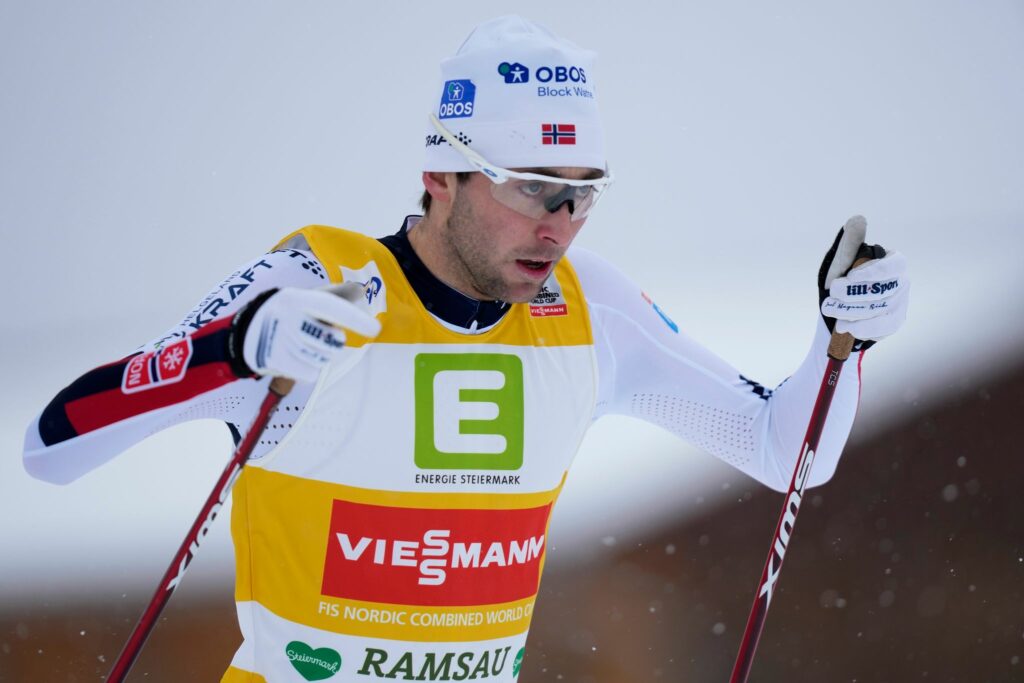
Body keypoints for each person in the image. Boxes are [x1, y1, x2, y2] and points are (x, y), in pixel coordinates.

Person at [23, 15, 909, 683]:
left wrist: (843, 344)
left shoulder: (586, 305)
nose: (557, 225)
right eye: (529, 187)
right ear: (439, 174)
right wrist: (238, 350)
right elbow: (52, 443)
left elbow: (786, 449)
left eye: (581, 194)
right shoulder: (321, 279)